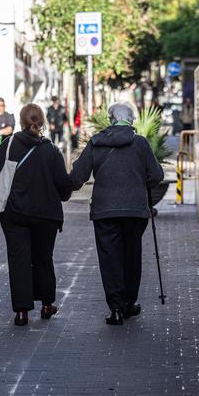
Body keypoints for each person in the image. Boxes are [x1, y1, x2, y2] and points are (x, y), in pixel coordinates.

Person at [69, 102, 164, 326]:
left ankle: (116, 309)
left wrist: (55, 188)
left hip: (104, 210)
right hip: (135, 210)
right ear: (131, 121)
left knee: (110, 258)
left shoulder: (96, 142)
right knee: (131, 254)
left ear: (110, 119)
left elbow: (77, 177)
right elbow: (156, 175)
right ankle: (129, 303)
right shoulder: (140, 143)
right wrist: (140, 180)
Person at [0, 103, 72, 326]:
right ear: (42, 123)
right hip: (46, 216)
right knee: (44, 258)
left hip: (14, 214)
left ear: (22, 122)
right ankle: (46, 305)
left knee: (19, 260)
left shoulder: (10, 144)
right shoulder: (52, 151)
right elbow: (64, 189)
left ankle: (22, 312)